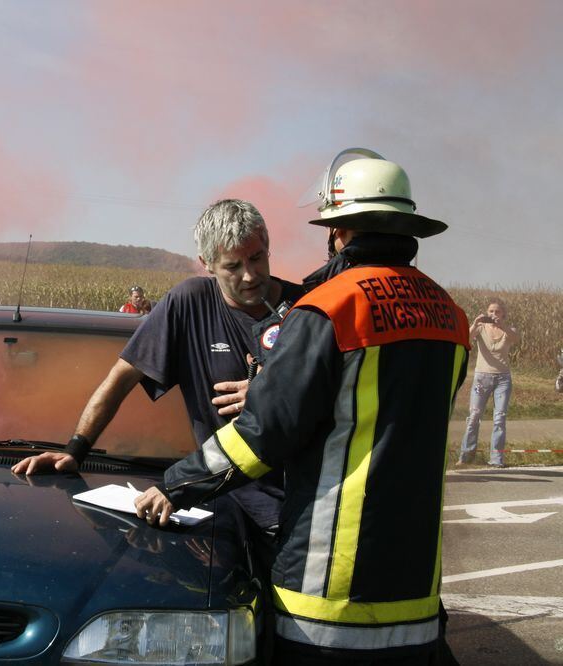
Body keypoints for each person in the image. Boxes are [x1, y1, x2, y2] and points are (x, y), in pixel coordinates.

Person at [135, 149, 469, 664]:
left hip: (329, 586)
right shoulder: (450, 316)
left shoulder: (329, 308)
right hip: (415, 580)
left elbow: (263, 433)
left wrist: (177, 486)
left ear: (337, 231)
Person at [12, 198, 306, 624]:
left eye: (257, 258)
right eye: (233, 265)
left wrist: (272, 390)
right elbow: (119, 378)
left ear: (268, 246)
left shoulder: (306, 310)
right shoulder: (189, 304)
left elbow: (339, 401)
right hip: (215, 508)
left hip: (296, 514)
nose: (250, 275)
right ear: (207, 263)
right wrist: (76, 448)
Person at [457, 299, 520, 468]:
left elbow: (515, 338)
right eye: (491, 311)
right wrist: (475, 323)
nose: (494, 315)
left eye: (497, 312)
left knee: (499, 418)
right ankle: (466, 456)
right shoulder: (481, 328)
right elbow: (465, 339)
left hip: (503, 379)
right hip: (482, 378)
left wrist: (503, 326)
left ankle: (496, 459)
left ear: (503, 314)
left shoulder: (509, 330)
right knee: (474, 416)